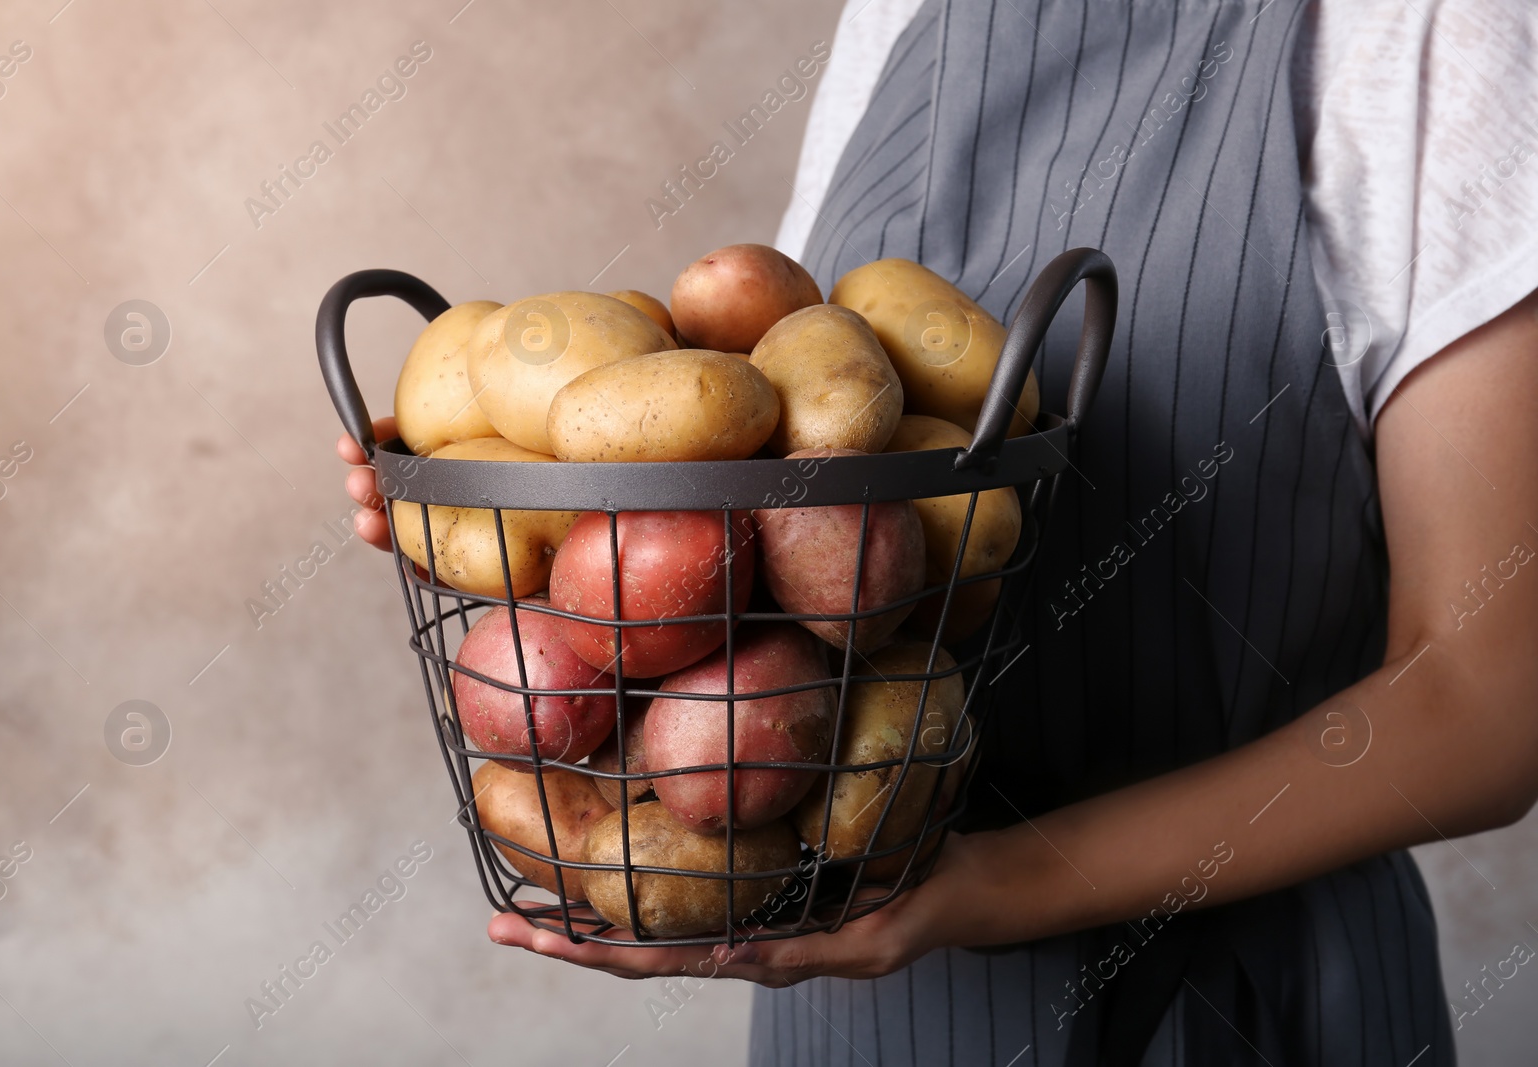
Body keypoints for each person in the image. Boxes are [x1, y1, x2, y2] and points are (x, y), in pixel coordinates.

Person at [338, 0, 1538, 1061]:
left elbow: (1494, 708)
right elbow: (797, 479)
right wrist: (527, 515)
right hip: (857, 1002)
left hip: (1227, 997)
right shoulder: (903, 16)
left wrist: (988, 886)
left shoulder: (1430, 33)